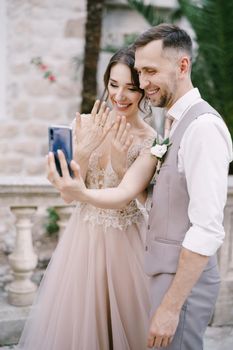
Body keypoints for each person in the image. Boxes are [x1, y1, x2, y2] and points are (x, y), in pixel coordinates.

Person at [47, 24, 233, 349]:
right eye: (115, 84)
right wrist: (86, 153)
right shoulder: (175, 124)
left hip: (150, 260)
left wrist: (171, 307)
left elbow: (205, 228)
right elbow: (70, 188)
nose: (141, 85)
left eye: (146, 74)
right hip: (99, 246)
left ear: (182, 66)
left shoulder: (191, 130)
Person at [17, 47, 156, 350]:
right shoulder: (84, 124)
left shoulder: (149, 140)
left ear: (143, 90)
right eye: (114, 84)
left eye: (131, 88)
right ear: (106, 82)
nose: (120, 95)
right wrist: (82, 150)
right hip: (84, 240)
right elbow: (66, 193)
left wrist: (121, 165)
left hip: (127, 244)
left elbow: (127, 197)